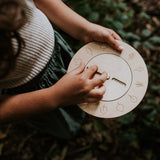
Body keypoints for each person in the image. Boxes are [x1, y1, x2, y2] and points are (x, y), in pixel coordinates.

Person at [0, 0, 123, 139]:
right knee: (61, 121)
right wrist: (55, 97)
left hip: (57, 53)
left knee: (82, 93)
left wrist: (83, 29)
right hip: (29, 94)